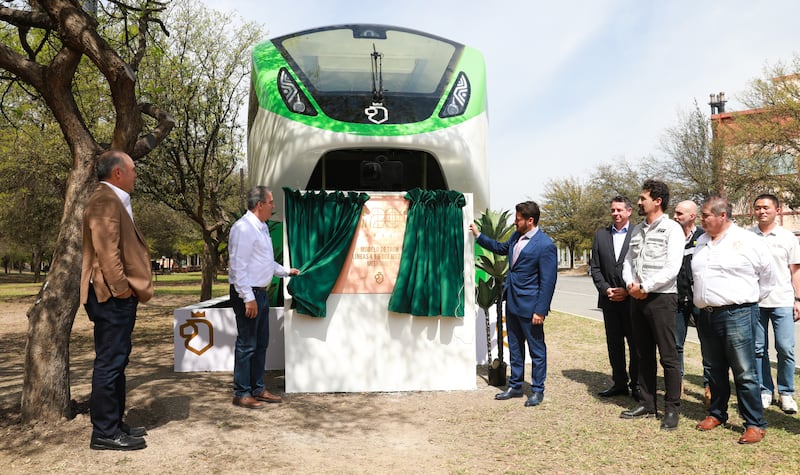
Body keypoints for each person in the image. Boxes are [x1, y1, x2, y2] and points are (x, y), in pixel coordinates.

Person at [80, 150, 153, 451]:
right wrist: (122, 289)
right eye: (133, 169)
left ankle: (114, 423)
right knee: (110, 363)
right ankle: (104, 433)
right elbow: (107, 253)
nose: (136, 174)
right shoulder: (105, 200)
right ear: (117, 173)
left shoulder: (112, 199)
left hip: (115, 296)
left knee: (117, 361)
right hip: (110, 296)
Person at [692, 195, 776, 444]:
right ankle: (717, 413)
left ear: (722, 216)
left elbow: (768, 276)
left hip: (737, 314)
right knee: (714, 369)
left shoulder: (747, 240)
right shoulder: (702, 241)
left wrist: (744, 301)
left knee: (744, 371)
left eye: (705, 215)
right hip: (706, 315)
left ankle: (754, 423)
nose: (701, 219)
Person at [469, 201, 557, 407]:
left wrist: (540, 310)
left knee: (537, 351)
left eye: (518, 219)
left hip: (532, 308)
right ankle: (515, 386)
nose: (515, 222)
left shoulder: (545, 245)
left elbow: (548, 282)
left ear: (530, 220)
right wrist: (478, 235)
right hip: (513, 303)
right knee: (515, 348)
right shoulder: (516, 237)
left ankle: (537, 390)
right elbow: (500, 249)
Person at [620, 179, 684, 431]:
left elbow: (672, 268)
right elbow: (628, 261)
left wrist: (645, 287)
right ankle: (647, 403)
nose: (638, 202)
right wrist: (630, 284)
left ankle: (671, 409)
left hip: (662, 299)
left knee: (668, 357)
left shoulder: (672, 229)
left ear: (657, 201)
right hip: (637, 298)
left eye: (642, 198)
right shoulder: (637, 230)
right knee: (642, 353)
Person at [229, 186, 300, 409]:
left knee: (260, 344)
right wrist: (247, 298)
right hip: (248, 293)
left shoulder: (261, 227)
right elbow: (238, 267)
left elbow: (265, 262)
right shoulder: (244, 229)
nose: (273, 206)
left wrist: (286, 271)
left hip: (259, 292)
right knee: (247, 345)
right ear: (260, 205)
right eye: (270, 202)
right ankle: (242, 393)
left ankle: (257, 388)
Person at [750, 193, 799, 414]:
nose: (762, 211)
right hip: (755, 302)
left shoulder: (788, 237)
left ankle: (786, 392)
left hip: (783, 300)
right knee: (758, 349)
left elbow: (795, 271)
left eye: (766, 208)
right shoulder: (747, 236)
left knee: (786, 348)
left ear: (777, 211)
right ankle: (764, 390)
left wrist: (798, 299)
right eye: (758, 208)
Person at [589, 196, 639, 400]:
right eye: (613, 210)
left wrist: (628, 290)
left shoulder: (638, 233)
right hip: (609, 300)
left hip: (633, 300)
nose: (616, 213)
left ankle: (636, 385)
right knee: (614, 344)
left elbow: (642, 265)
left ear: (629, 211)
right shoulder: (601, 235)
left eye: (620, 210)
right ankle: (619, 383)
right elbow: (595, 267)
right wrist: (606, 289)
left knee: (635, 345)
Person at [672, 200, 710, 404]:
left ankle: (708, 386)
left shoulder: (703, 237)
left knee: (707, 343)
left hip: (699, 300)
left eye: (679, 213)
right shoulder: (672, 237)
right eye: (675, 213)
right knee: (676, 344)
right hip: (677, 299)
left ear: (692, 216)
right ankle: (677, 383)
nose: (675, 217)